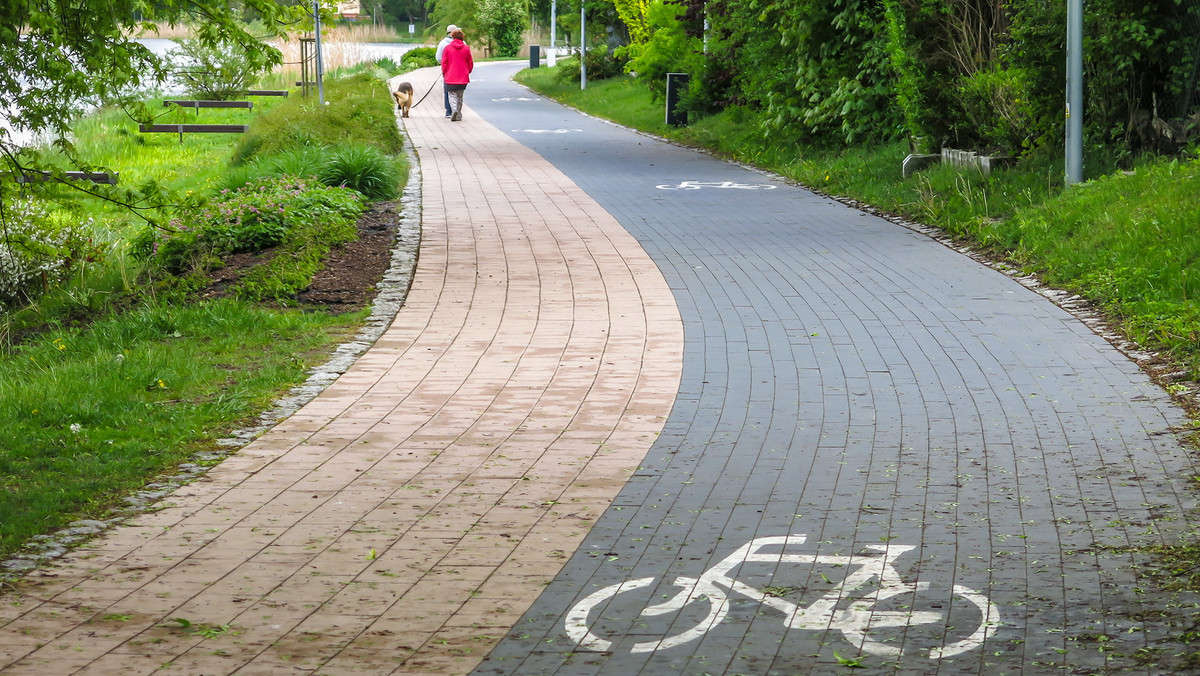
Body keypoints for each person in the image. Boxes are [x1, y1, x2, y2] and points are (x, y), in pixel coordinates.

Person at [441, 29, 473, 122]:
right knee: (460, 96)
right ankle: (458, 114)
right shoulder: (466, 48)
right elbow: (470, 63)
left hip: (450, 76)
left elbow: (444, 63)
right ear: (462, 37)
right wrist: (467, 72)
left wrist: (444, 72)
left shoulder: (447, 48)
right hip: (463, 77)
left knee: (452, 95)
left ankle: (454, 109)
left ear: (453, 37)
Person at [435, 24, 459, 118]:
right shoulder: (463, 43)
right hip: (460, 70)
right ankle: (457, 110)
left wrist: (445, 65)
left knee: (447, 90)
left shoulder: (443, 43)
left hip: (448, 70)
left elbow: (438, 58)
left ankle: (449, 111)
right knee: (459, 90)